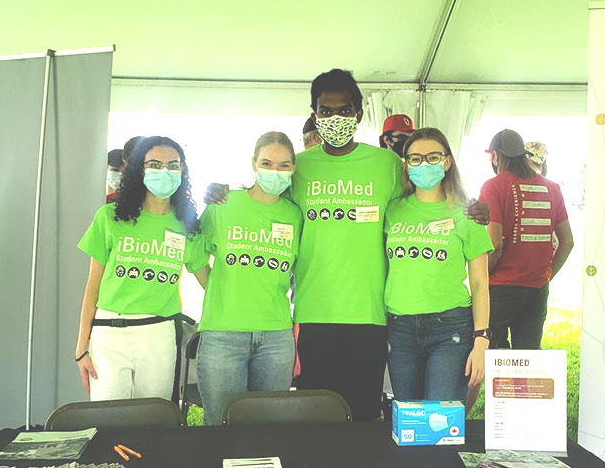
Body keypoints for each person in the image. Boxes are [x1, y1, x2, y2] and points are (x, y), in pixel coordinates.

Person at [204, 69, 490, 420]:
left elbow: (426, 195)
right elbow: (264, 197)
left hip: (370, 315)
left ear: (358, 114)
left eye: (344, 110)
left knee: (364, 415)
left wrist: (471, 207)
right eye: (326, 110)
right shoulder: (299, 167)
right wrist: (219, 192)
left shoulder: (385, 163)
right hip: (312, 313)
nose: (335, 118)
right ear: (314, 114)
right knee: (315, 416)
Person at [74, 136, 207, 401]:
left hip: (159, 334)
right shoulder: (109, 217)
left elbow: (212, 284)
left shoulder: (186, 226)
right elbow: (93, 287)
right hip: (108, 334)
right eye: (155, 165)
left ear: (182, 171)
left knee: (153, 418)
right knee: (107, 419)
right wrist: (81, 348)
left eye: (173, 165)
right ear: (139, 169)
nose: (165, 172)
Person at [195, 132, 302, 425]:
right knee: (220, 424)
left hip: (276, 338)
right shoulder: (224, 204)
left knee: (268, 426)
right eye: (267, 163)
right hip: (223, 336)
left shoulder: (295, 215)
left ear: (293, 168)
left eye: (284, 166)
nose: (275, 171)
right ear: (253, 164)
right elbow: (195, 257)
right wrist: (219, 289)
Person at [384, 128, 492, 402]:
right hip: (401, 329)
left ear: (446, 162)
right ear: (406, 165)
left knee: (439, 420)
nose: (424, 164)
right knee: (408, 420)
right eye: (415, 159)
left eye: (433, 157)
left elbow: (480, 283)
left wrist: (482, 339)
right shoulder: (393, 210)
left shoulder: (467, 213)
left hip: (450, 328)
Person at [479, 129, 573, 350]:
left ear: (495, 156)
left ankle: (473, 388)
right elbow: (567, 241)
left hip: (500, 288)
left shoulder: (493, 186)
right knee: (528, 362)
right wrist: (547, 275)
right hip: (536, 290)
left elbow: (495, 244)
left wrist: (480, 279)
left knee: (485, 353)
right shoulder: (552, 188)